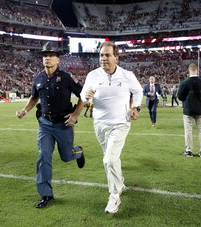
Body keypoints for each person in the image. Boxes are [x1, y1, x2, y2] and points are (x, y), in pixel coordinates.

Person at [16, 42, 86, 208]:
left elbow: (83, 95)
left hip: (63, 124)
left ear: (57, 59)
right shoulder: (38, 78)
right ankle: (46, 194)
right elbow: (34, 97)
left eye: (51, 55)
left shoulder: (66, 77)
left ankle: (78, 152)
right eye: (45, 55)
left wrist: (75, 115)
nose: (47, 58)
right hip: (45, 125)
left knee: (66, 156)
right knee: (44, 156)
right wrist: (24, 111)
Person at [80, 41, 143, 214]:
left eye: (107, 55)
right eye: (101, 55)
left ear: (116, 57)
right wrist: (86, 96)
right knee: (111, 158)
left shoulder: (127, 75)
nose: (103, 58)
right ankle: (120, 182)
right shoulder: (92, 75)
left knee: (108, 159)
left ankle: (114, 196)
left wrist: (134, 107)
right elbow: (83, 96)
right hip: (99, 123)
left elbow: (138, 91)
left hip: (120, 123)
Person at [177, 63, 201, 158]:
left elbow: (180, 96)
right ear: (197, 70)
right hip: (200, 109)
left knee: (188, 130)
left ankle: (189, 151)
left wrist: (186, 100)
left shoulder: (184, 83)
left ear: (189, 71)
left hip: (188, 110)